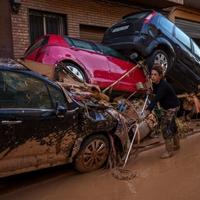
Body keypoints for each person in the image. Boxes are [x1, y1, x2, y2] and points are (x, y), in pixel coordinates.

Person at [146, 64, 180, 159]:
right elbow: (155, 94)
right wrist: (150, 92)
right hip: (168, 106)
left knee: (165, 126)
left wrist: (148, 109)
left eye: (155, 75)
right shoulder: (155, 84)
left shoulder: (163, 86)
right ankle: (177, 145)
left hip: (173, 107)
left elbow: (156, 98)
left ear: (160, 76)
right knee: (172, 124)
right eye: (152, 74)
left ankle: (169, 151)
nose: (152, 76)